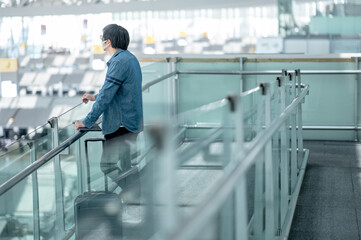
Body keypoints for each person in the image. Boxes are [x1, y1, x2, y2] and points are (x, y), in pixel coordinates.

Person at [74, 24, 143, 191]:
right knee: (127, 165)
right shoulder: (130, 58)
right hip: (130, 121)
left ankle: (134, 193)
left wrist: (87, 121)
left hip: (121, 124)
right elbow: (119, 93)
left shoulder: (118, 62)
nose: (101, 42)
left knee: (107, 165)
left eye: (102, 38)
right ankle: (136, 194)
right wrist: (94, 97)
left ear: (109, 41)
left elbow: (106, 96)